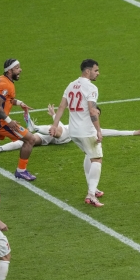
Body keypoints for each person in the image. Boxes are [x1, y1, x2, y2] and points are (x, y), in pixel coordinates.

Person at [0, 104, 140, 154]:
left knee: (57, 130)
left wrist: (135, 132)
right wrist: (53, 116)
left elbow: (113, 132)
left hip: (64, 135)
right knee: (28, 140)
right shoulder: (82, 118)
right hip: (53, 134)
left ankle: (34, 125)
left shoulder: (93, 129)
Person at [50, 59, 105, 207]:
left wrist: (54, 125)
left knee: (89, 154)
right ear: (87, 71)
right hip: (86, 131)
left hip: (73, 131)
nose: (98, 73)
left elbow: (62, 106)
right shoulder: (91, 88)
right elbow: (93, 111)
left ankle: (93, 188)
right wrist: (98, 130)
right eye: (96, 70)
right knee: (97, 158)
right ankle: (91, 194)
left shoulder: (70, 85)